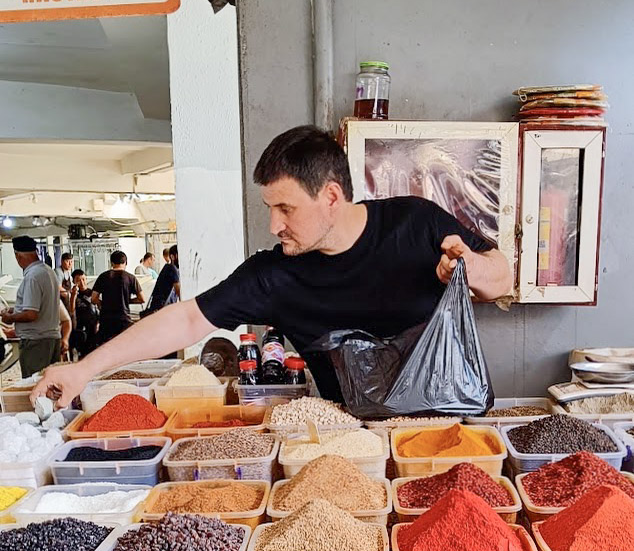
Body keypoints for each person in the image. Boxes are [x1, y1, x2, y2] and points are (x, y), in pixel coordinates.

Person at [32, 125, 511, 407]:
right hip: (348, 443)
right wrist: (85, 369)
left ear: (330, 196)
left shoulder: (415, 223)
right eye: (269, 209)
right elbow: (186, 319)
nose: (273, 225)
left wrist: (469, 269)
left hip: (450, 427)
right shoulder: (274, 274)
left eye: (285, 209)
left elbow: (501, 277)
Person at [1, 236, 61, 378]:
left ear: (18, 256)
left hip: (36, 342)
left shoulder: (33, 277)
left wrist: (10, 318)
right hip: (51, 339)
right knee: (49, 387)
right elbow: (40, 305)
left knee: (34, 386)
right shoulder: (48, 271)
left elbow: (31, 314)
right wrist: (15, 310)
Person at [91, 250, 144, 345]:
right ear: (126, 263)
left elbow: (93, 298)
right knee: (124, 347)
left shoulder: (103, 276)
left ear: (111, 263)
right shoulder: (131, 278)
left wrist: (102, 303)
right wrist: (127, 300)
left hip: (106, 320)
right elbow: (142, 299)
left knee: (107, 348)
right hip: (123, 319)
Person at [69, 268, 99, 358]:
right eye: (78, 280)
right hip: (80, 328)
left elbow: (100, 307)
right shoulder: (73, 295)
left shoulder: (92, 293)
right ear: (74, 282)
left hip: (93, 327)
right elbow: (71, 310)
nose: (82, 282)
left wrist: (98, 322)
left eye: (83, 279)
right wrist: (73, 296)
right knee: (82, 353)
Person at [144, 245, 180, 315]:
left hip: (159, 307)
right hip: (162, 309)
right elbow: (179, 291)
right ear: (172, 257)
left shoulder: (167, 267)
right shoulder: (172, 268)